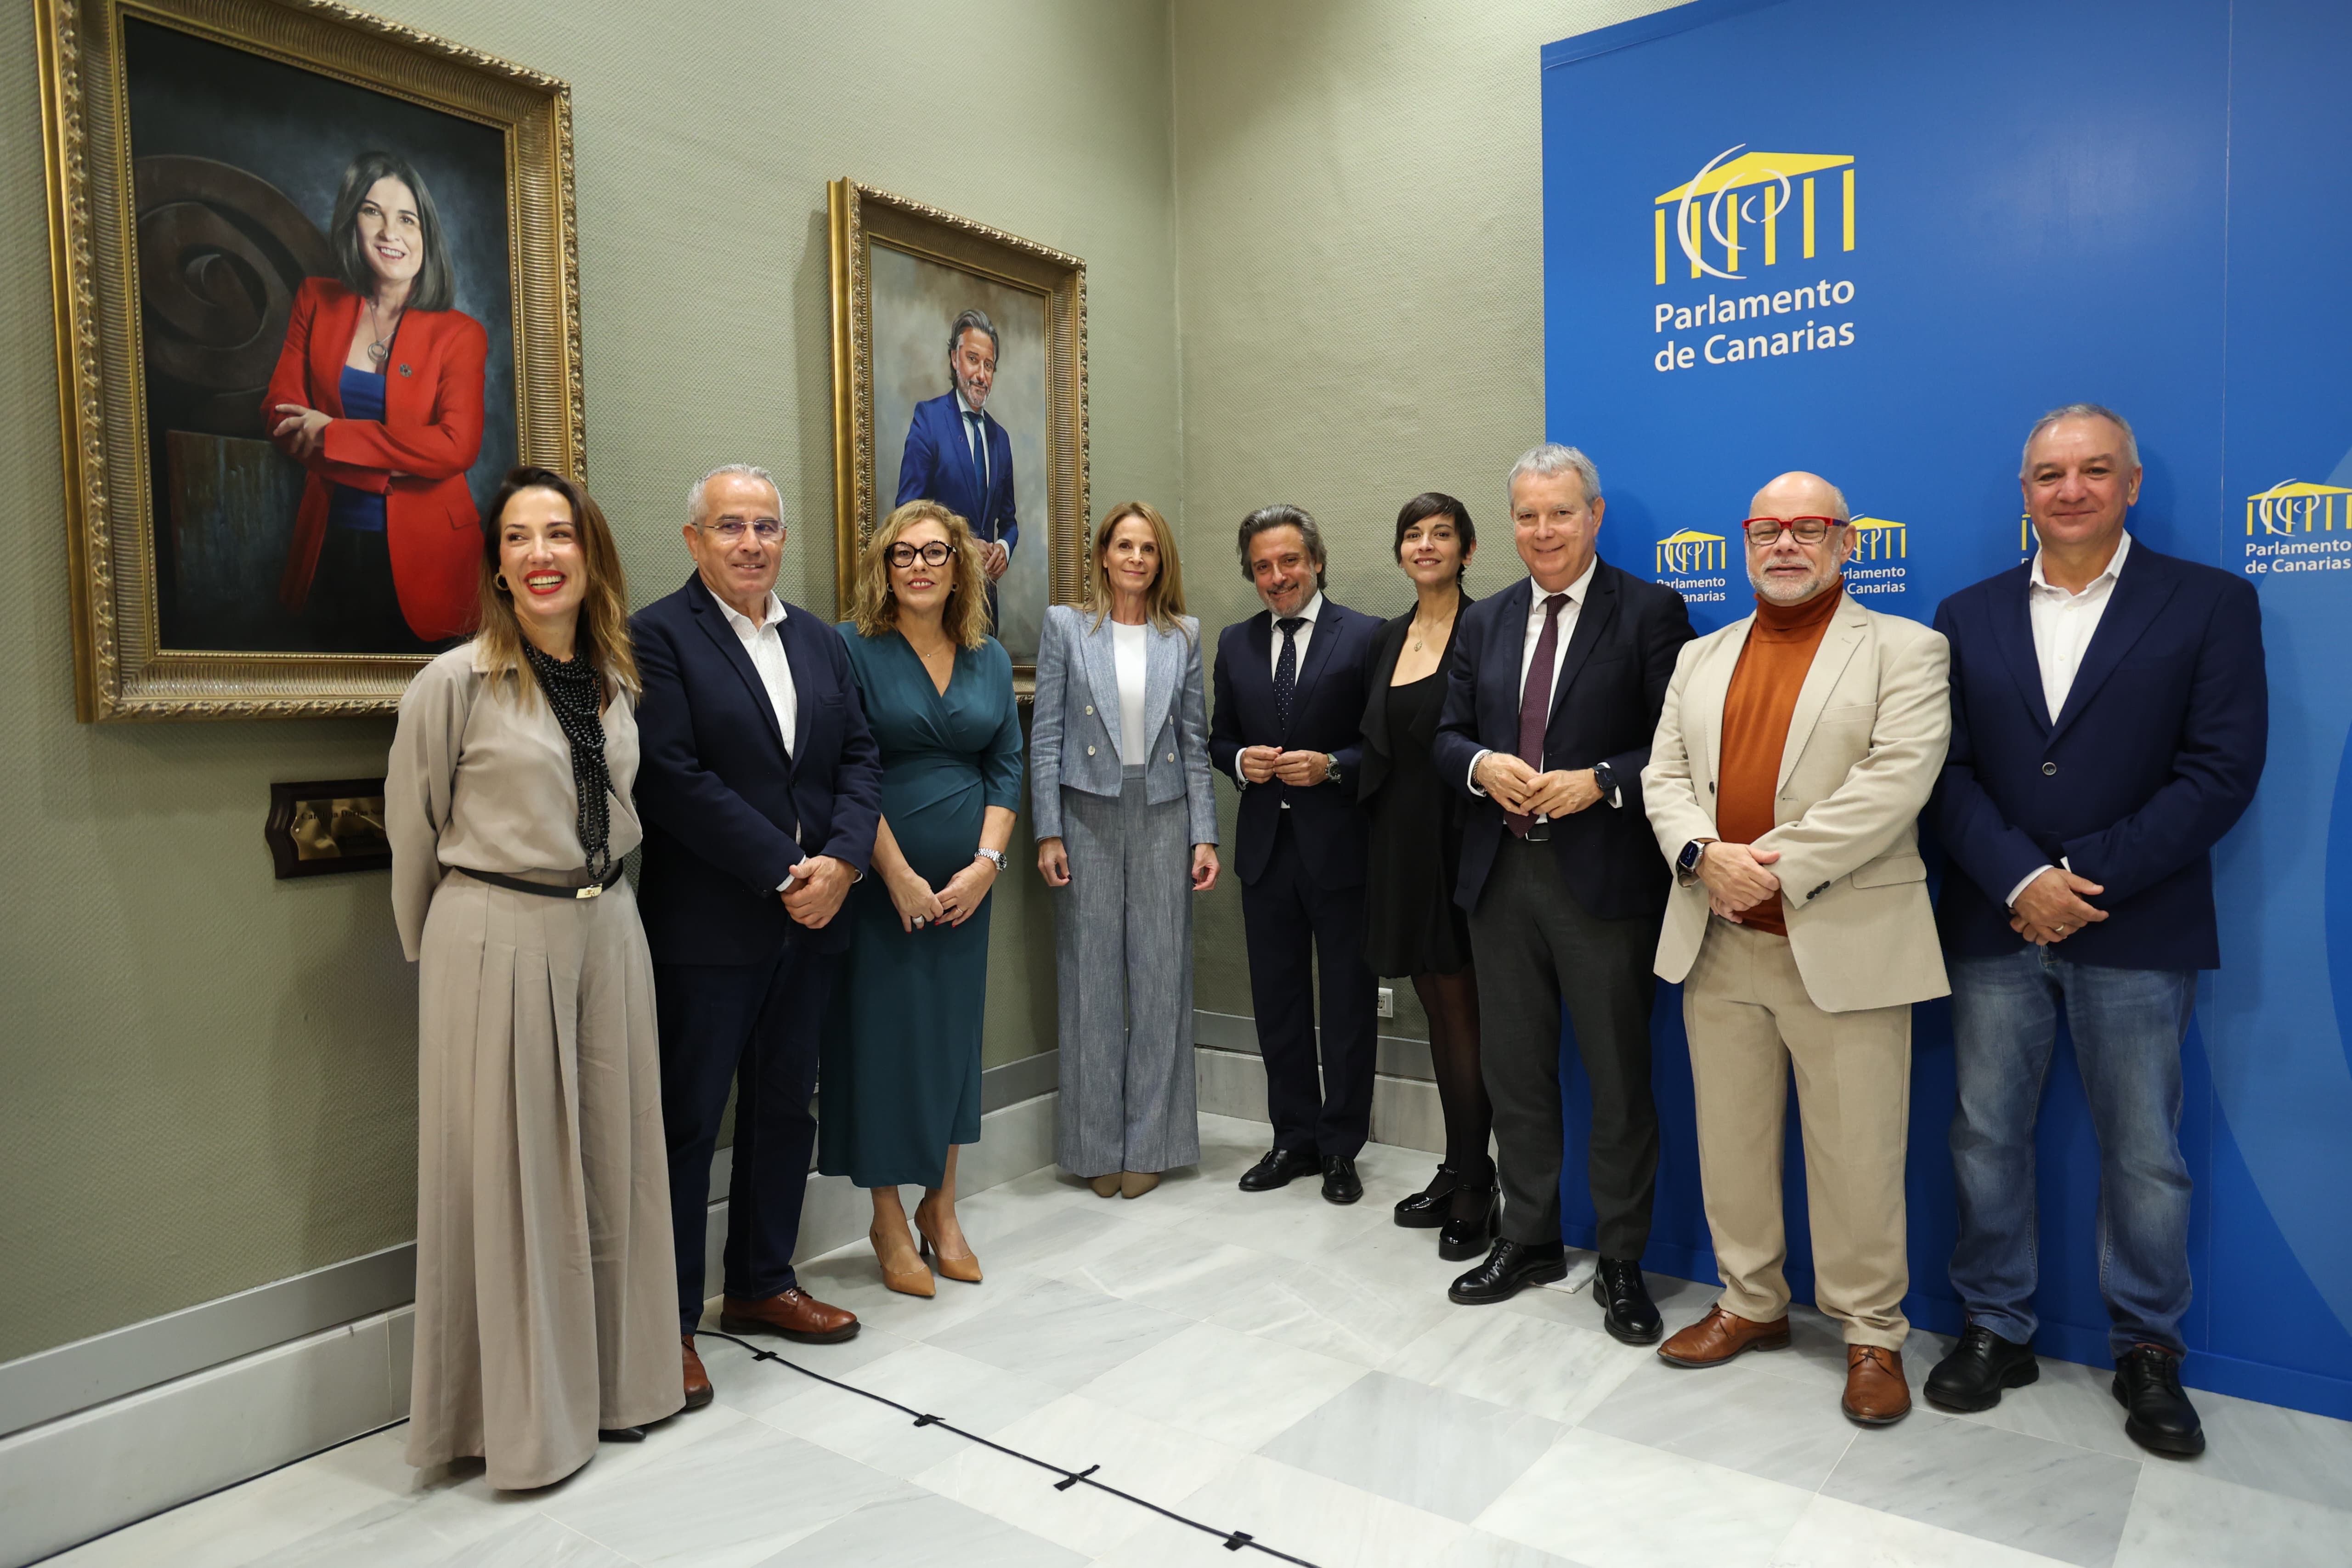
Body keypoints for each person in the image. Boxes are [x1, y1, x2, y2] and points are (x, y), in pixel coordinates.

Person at [1927, 404, 2266, 1456]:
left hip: (2135, 922)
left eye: (2092, 470)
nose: (2068, 489)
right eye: (2047, 473)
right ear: (2023, 491)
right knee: (1984, 1135)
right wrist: (2018, 876)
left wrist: (2076, 877)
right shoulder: (1966, 612)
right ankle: (1995, 1325)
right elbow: (1946, 771)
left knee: (2144, 1152)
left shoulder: (2208, 602)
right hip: (1995, 920)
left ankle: (2147, 1348)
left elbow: (2220, 770)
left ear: (2130, 484)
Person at [385, 467, 678, 1489]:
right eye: (519, 537)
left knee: (615, 1159)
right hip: (495, 930)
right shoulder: (452, 685)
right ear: (498, 564)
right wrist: (448, 960)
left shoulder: (615, 680)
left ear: (590, 556)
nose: (542, 554)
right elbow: (413, 833)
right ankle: (521, 1424)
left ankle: (621, 1386)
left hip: (610, 928)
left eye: (560, 534)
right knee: (516, 1178)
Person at [1644, 472, 1951, 1427]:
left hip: (1845, 940)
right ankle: (1750, 1300)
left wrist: (1769, 869)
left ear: (1845, 541)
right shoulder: (1699, 656)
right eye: (1766, 529)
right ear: (1744, 542)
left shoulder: (1906, 649)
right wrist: (1703, 855)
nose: (1785, 543)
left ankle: (1872, 1332)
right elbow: (1663, 776)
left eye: (1808, 528)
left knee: (1860, 1152)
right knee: (1730, 1140)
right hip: (1716, 937)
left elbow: (1896, 781)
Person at [631, 464, 885, 1410]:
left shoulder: (818, 640)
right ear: (694, 539)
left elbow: (860, 757)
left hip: (814, 923)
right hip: (710, 928)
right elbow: (671, 775)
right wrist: (788, 870)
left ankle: (762, 1282)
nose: (751, 543)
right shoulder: (657, 635)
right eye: (730, 525)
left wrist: (844, 864)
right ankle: (667, 1324)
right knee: (687, 1123)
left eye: (766, 526)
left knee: (785, 1108)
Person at [1430, 443, 1692, 1339]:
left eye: (1560, 512)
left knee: (1617, 1079)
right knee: (1514, 1074)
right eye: (1527, 515)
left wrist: (1602, 780)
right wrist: (1479, 765)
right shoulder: (1486, 619)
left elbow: (1680, 742)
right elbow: (1445, 735)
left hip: (1602, 880)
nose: (1543, 531)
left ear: (1595, 514)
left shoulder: (1650, 611)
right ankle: (1529, 1235)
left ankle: (1620, 1258)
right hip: (1501, 876)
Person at [821, 500, 1023, 1295]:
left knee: (951, 1045)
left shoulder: (988, 656)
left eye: (935, 552)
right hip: (880, 887)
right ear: (884, 565)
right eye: (902, 553)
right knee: (879, 1044)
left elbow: (1006, 766)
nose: (918, 565)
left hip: (967, 894)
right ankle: (886, 1218)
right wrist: (897, 874)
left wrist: (985, 865)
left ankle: (941, 1206)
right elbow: (843, 765)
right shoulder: (850, 648)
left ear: (960, 565)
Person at [1032, 502, 1221, 1198]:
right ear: (1103, 555)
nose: (1136, 558)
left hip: (1164, 811)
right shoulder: (1066, 627)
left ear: (1160, 559)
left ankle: (1153, 1143)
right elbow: (1045, 736)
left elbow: (1195, 743)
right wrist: (1047, 830)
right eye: (1124, 546)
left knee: (1162, 979)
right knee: (1090, 980)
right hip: (1084, 811)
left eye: (1148, 548)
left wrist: (1205, 834)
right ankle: (1093, 1147)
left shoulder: (1183, 634)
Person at [1210, 505, 1384, 1204]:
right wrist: (1240, 760)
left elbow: (1384, 747)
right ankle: (1293, 1140)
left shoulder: (1367, 635)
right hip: (1265, 853)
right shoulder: (1235, 642)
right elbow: (1219, 737)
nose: (1277, 576)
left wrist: (1332, 766)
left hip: (1341, 852)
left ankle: (1340, 1148)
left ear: (1315, 560)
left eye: (1288, 561)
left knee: (1346, 1006)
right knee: (1277, 1003)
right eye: (1262, 566)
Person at [266, 150, 486, 652]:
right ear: (352, 221)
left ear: (426, 234)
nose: (391, 232)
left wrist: (333, 434)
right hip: (327, 546)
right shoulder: (315, 299)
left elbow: (455, 447)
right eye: (373, 212)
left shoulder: (461, 334)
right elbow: (278, 415)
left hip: (433, 560)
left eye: (407, 219)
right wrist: (391, 462)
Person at [1360, 493, 1493, 1260]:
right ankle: (1456, 1165)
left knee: (1465, 1014)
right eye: (1413, 534)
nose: (1426, 544)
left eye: (1443, 533)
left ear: (1467, 550)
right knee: (1438, 1014)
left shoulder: (1487, 628)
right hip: (1399, 845)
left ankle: (1479, 1182)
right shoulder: (1388, 636)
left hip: (1461, 842)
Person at [895, 309, 1018, 612]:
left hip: (985, 603)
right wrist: (959, 541)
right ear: (954, 358)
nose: (981, 375)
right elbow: (907, 511)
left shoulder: (1001, 439)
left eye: (989, 365)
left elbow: (1009, 522)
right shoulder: (929, 419)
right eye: (973, 359)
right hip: (939, 601)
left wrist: (1004, 548)